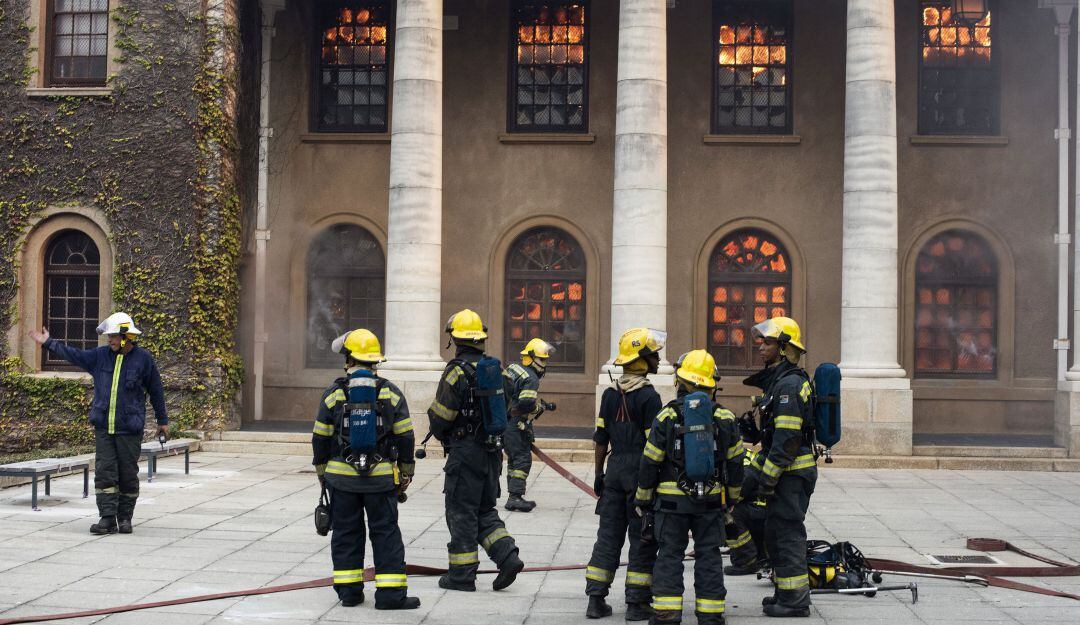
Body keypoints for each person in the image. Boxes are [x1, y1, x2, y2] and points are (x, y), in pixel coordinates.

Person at [311, 328, 419, 610]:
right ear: (375, 360)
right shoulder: (391, 392)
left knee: (346, 533)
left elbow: (320, 438)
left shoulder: (334, 393)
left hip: (341, 481)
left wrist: (323, 475)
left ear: (349, 359)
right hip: (380, 480)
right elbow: (406, 436)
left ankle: (349, 593)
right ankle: (390, 596)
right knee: (385, 533)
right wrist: (406, 471)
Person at [29, 313, 167, 535]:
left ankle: (125, 518)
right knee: (105, 473)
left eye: (113, 336)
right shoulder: (100, 356)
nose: (109, 339)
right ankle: (107, 518)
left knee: (128, 474)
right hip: (104, 428)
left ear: (126, 336)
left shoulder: (144, 360)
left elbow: (156, 391)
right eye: (109, 336)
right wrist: (49, 343)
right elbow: (75, 355)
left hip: (129, 429)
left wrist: (163, 421)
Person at [635, 350, 744, 625]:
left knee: (669, 554)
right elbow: (735, 463)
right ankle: (710, 615)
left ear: (681, 381)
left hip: (671, 504)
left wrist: (643, 499)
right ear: (711, 384)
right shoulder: (725, 417)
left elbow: (650, 461)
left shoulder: (667, 415)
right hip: (710, 501)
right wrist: (732, 498)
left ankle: (667, 614)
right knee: (709, 555)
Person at [428, 309, 524, 592]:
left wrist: (442, 432)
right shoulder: (498, 371)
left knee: (461, 511)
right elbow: (508, 408)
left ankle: (461, 575)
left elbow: (442, 416)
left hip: (465, 453)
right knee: (484, 509)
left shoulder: (455, 372)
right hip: (492, 453)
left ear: (455, 339)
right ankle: (508, 557)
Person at [585, 328, 665, 621]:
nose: (658, 359)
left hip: (614, 470)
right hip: (639, 473)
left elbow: (600, 438)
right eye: (653, 355)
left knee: (607, 536)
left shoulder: (610, 394)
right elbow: (654, 445)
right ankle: (636, 603)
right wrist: (653, 481)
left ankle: (595, 600)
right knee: (643, 537)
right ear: (641, 360)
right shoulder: (649, 397)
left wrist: (599, 474)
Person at [740, 317, 817, 618]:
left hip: (791, 474)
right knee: (774, 532)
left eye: (768, 342)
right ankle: (784, 593)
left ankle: (796, 601)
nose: (760, 346)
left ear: (784, 348)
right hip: (786, 473)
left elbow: (787, 440)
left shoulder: (788, 386)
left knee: (787, 534)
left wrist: (767, 478)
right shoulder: (781, 381)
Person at [502, 338, 555, 512]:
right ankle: (515, 497)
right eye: (541, 359)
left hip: (504, 421)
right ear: (530, 357)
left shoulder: (513, 367)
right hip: (516, 424)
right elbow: (526, 403)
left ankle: (513, 496)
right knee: (522, 459)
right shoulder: (531, 378)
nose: (544, 364)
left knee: (513, 459)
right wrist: (538, 408)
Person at [723, 449, 769, 576]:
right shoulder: (743, 455)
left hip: (760, 511)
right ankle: (760, 554)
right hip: (764, 511)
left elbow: (742, 488)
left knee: (728, 514)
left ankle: (745, 561)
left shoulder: (740, 460)